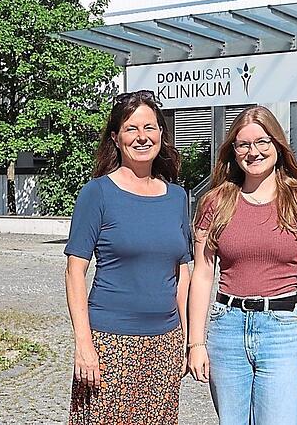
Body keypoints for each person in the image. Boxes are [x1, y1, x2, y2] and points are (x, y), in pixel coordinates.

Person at [187, 105, 297, 425]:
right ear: (233, 151)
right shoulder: (215, 202)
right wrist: (196, 342)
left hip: (282, 330)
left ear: (277, 145)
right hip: (227, 329)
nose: (254, 152)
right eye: (244, 144)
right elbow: (202, 275)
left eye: (262, 142)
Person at [64, 90, 192, 425]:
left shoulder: (177, 197)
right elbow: (74, 272)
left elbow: (182, 272)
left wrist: (187, 339)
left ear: (161, 134)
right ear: (116, 138)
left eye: (149, 127)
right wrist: (84, 344)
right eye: (131, 128)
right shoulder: (97, 193)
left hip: (165, 344)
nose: (142, 137)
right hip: (109, 344)